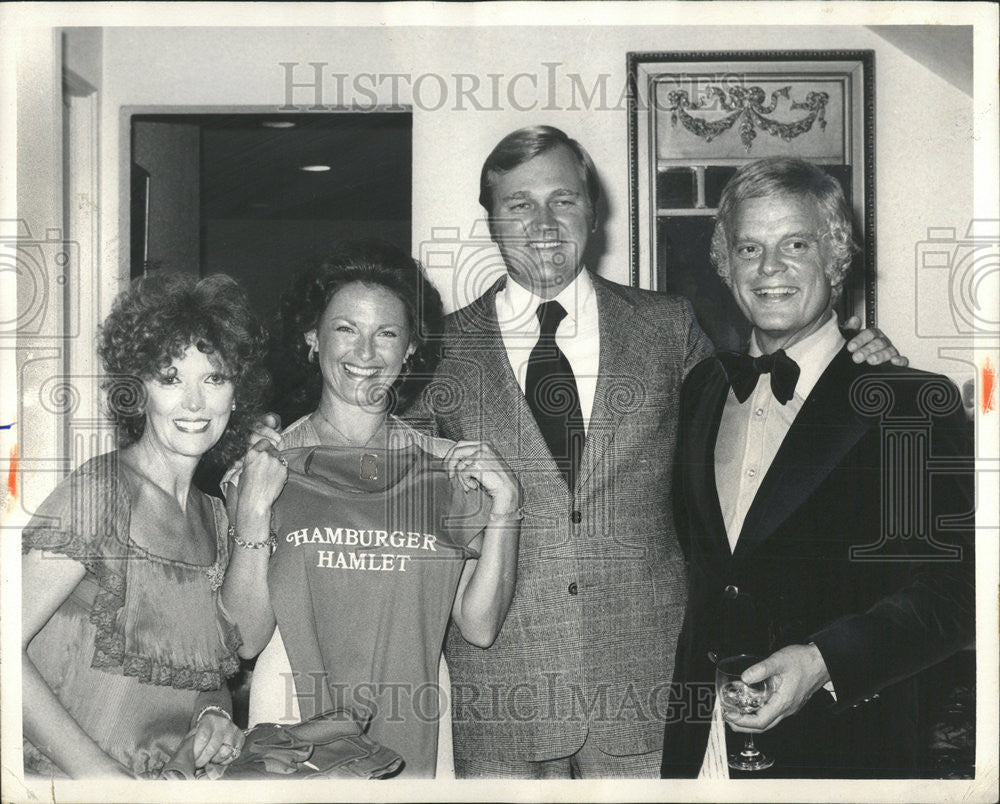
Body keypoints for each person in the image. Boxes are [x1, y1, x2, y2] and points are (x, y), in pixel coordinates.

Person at [416, 125, 906, 778]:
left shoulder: (667, 326)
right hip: (501, 693)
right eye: (519, 204)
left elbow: (766, 415)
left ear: (593, 209)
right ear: (491, 219)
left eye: (563, 199)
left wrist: (857, 362)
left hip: (648, 692)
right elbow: (397, 491)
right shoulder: (436, 351)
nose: (543, 223)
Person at [660, 157, 975, 778]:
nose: (769, 267)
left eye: (795, 244)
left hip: (845, 746)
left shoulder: (906, 400)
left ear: (836, 259)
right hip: (704, 744)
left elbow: (954, 593)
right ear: (724, 265)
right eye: (748, 247)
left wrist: (823, 661)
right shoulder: (702, 388)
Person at [222, 240, 521, 779]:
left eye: (387, 332)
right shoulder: (265, 468)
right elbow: (243, 636)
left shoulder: (446, 469)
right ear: (313, 338)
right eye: (345, 329)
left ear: (409, 349)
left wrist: (507, 510)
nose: (365, 352)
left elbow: (479, 626)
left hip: (414, 727)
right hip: (292, 728)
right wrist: (252, 512)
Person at [21, 273, 268, 778]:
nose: (195, 404)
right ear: (139, 391)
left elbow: (220, 658)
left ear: (236, 394)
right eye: (171, 378)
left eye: (214, 378)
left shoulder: (215, 517)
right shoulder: (99, 492)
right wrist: (102, 781)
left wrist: (214, 712)